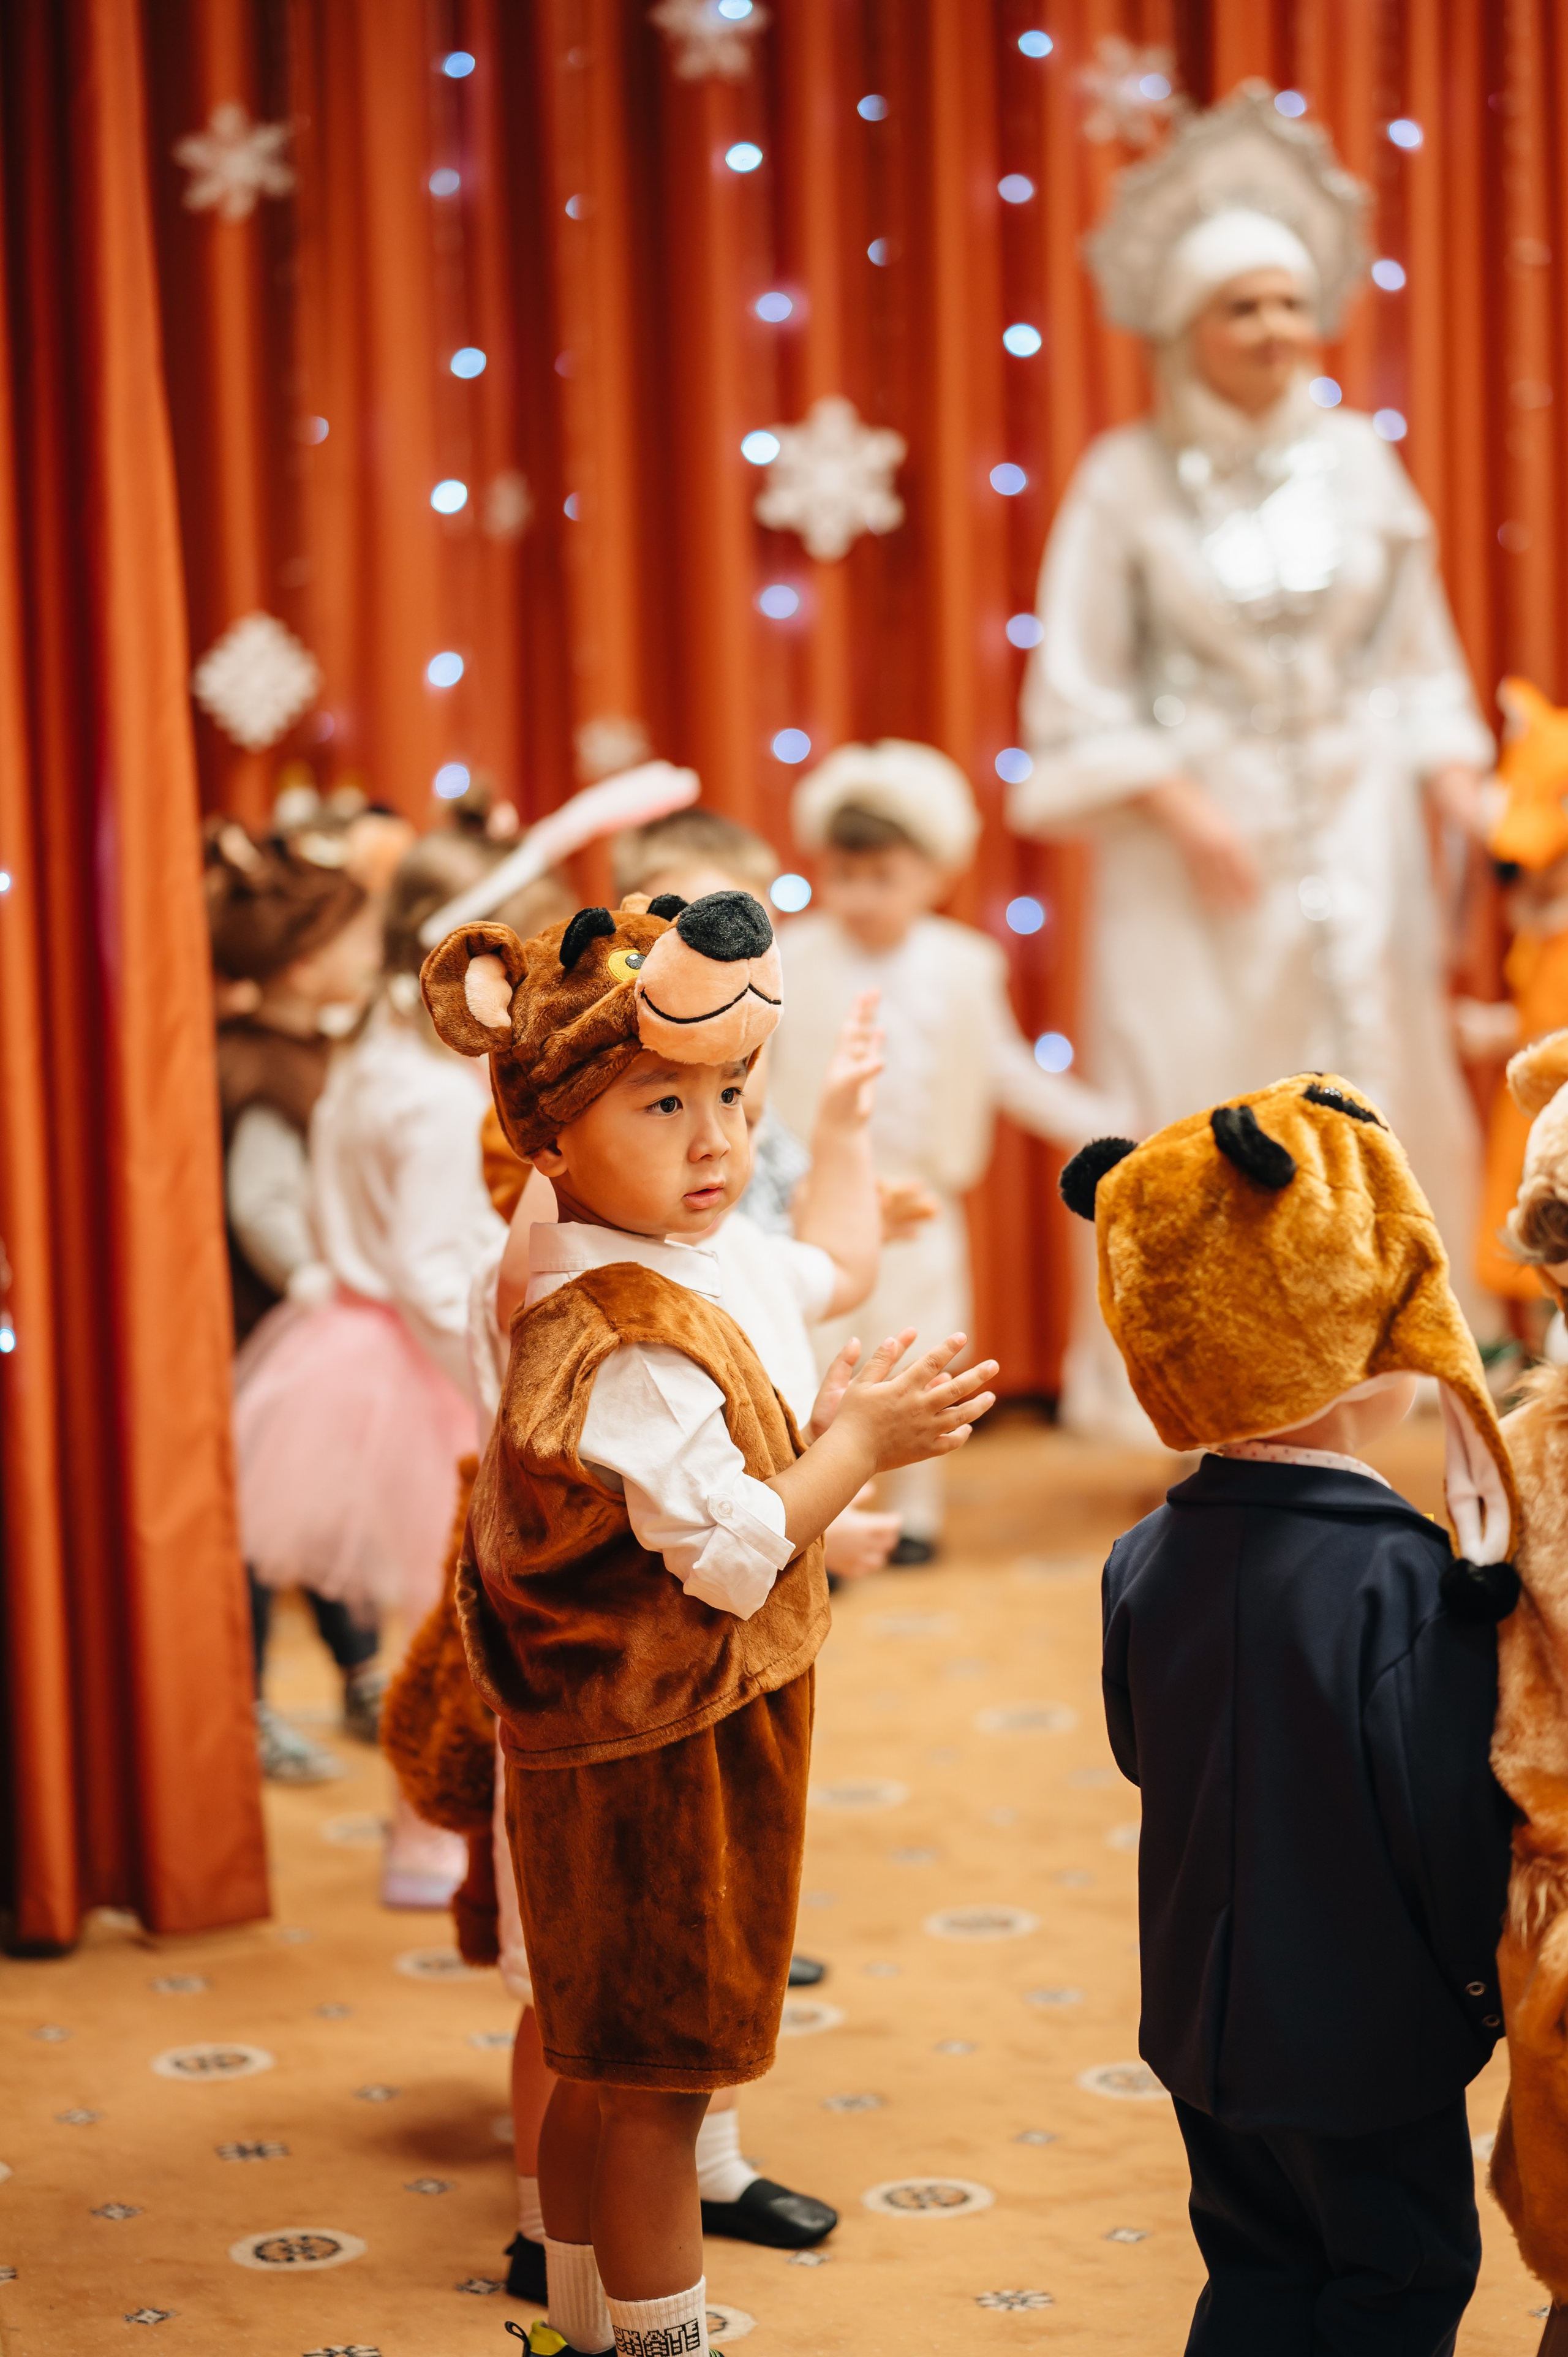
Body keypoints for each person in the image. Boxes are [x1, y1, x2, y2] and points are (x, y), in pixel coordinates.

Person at [420, 887, 997, 2357]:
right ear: (546, 1142)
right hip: (651, 1754)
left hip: (667, 1727)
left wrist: (849, 1130)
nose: (716, 1139)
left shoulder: (695, 1254)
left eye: (734, 1094)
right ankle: (648, 2341)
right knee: (657, 2087)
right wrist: (856, 1443)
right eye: (660, 1102)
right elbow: (732, 1555)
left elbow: (832, 1265)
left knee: (595, 2058)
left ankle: (565, 2327)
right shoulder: (611, 1326)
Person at [1012, 84, 1496, 1441]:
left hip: (1358, 838)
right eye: (1243, 308)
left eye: (1290, 303)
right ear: (1183, 328)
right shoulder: (1122, 480)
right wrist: (1172, 792)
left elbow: (1419, 663)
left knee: (1372, 1089)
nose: (1276, 332)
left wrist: (1466, 789)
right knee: (1205, 1103)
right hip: (1191, 863)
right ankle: (1211, 1397)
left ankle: (1381, 1378)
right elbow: (1074, 688)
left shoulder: (1357, 462)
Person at [1060, 1071, 1518, 2352]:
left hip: (1200, 2021)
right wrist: (1479, 1985)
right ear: (1356, 1353)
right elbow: (1441, 1822)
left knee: (1254, 2264)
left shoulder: (1141, 1553)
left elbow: (1141, 1750)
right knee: (1397, 2275)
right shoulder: (1408, 1578)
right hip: (1365, 2034)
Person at [233, 830, 508, 1905]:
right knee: (445, 1621)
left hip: (356, 1340)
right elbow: (434, 1274)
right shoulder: (435, 1097)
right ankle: (427, 1830)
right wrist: (504, 1386)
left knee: (429, 1617)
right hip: (414, 1359)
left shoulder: (373, 1052)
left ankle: (428, 1824)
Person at [769, 738, 1123, 1557]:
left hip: (921, 1197)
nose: (859, 896)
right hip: (815, 1196)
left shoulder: (966, 966)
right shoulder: (795, 956)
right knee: (824, 1345)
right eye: (844, 875)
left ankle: (915, 1515)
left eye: (882, 877)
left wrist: (1100, 1122)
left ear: (934, 874)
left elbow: (1005, 1068)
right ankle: (831, 1510)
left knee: (922, 1343)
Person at [205, 818, 386, 1782]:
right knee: (271, 1521)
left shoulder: (303, 1050)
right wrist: (319, 1284)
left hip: (300, 1326)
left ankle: (360, 1673)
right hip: (271, 1330)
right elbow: (260, 1201)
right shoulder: (261, 1066)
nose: (368, 957)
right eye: (357, 941)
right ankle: (253, 1703)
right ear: (306, 959)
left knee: (328, 1505)